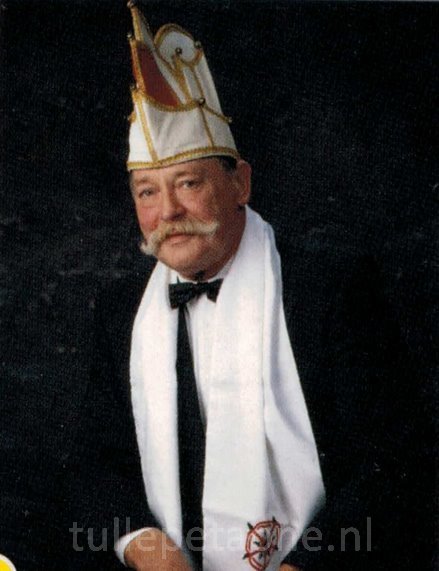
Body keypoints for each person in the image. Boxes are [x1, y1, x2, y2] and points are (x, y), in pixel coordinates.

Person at [61, 3, 412, 570]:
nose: (168, 211)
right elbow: (95, 465)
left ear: (240, 183)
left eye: (188, 183)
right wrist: (150, 551)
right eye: (147, 192)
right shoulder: (122, 309)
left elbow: (395, 469)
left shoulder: (329, 291)